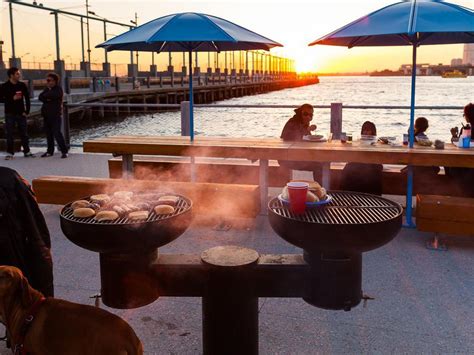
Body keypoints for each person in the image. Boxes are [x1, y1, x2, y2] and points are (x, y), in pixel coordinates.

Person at [0, 167, 54, 297]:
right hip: (14, 280)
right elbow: (37, 234)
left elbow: (36, 234)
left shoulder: (9, 181)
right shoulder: (9, 180)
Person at [279, 103, 322, 181]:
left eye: (310, 115)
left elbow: (305, 140)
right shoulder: (292, 122)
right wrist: (307, 130)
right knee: (319, 165)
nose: (308, 117)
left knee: (322, 161)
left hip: (298, 155)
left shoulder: (303, 124)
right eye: (305, 114)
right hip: (287, 158)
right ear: (300, 113)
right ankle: (321, 190)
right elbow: (288, 136)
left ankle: (320, 189)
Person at [0, 67, 34, 160]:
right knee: (9, 134)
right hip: (9, 113)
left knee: (24, 133)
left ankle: (27, 151)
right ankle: (10, 153)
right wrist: (12, 98)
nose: (19, 75)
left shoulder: (22, 85)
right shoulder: (4, 86)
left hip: (21, 113)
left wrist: (27, 111)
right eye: (17, 74)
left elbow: (27, 98)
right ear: (11, 75)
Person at [340, 121, 383, 195]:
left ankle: (373, 197)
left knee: (374, 169)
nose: (366, 132)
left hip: (372, 166)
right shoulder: (358, 142)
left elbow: (379, 158)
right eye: (364, 130)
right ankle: (346, 194)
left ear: (373, 132)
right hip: (359, 164)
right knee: (349, 167)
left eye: (368, 130)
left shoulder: (377, 142)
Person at [446, 103, 474, 197]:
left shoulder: (466, 129)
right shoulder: (465, 128)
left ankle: (456, 192)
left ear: (468, 116)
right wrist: (455, 136)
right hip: (468, 163)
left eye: (464, 115)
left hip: (467, 164)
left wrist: (454, 136)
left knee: (448, 164)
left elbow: (459, 145)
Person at [38, 72, 68, 158]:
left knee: (57, 133)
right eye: (47, 80)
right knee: (48, 134)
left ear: (55, 81)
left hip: (55, 115)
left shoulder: (58, 89)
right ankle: (49, 151)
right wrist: (47, 98)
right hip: (46, 115)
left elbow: (51, 95)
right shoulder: (47, 89)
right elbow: (40, 97)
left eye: (49, 80)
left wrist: (46, 98)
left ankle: (64, 151)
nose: (47, 82)